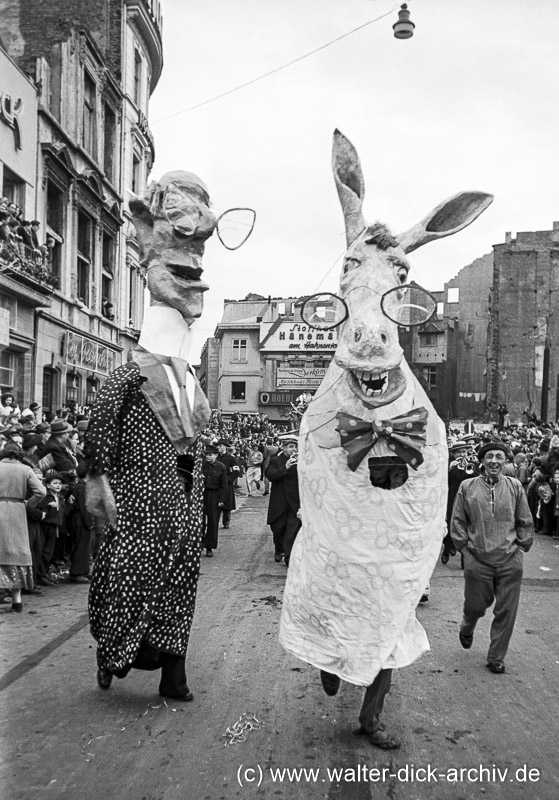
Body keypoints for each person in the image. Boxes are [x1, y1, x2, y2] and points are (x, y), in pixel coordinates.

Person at [84, 170, 217, 700]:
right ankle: (112, 654)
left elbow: (196, 447)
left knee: (180, 587)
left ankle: (173, 675)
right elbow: (98, 431)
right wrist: (96, 478)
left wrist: (198, 499)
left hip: (182, 509)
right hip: (137, 506)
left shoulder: (191, 381)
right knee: (128, 583)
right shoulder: (127, 374)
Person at [450, 441, 533, 674]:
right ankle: (467, 627)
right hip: (478, 559)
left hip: (510, 560)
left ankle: (496, 656)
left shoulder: (515, 486)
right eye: (489, 457)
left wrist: (522, 547)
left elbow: (524, 519)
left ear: (505, 461)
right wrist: (465, 549)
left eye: (499, 457)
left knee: (506, 610)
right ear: (482, 461)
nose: (494, 461)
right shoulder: (467, 486)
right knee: (475, 607)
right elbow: (457, 520)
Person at [0, 441, 46, 611]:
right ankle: (17, 601)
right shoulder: (24, 469)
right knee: (17, 553)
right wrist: (28, 504)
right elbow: (41, 492)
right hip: (17, 511)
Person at [265, 434, 301, 566]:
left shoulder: (300, 460)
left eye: (295, 447)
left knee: (292, 530)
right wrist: (285, 467)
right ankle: (279, 549)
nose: (294, 450)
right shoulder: (275, 460)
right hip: (279, 501)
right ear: (284, 448)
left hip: (294, 501)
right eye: (291, 447)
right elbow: (270, 476)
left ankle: (289, 557)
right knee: (278, 528)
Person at [202, 444, 228, 557]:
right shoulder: (201, 466)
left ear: (216, 455)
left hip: (214, 495)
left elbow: (224, 485)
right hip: (202, 494)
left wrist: (222, 499)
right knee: (200, 521)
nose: (208, 457)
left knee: (213, 522)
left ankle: (209, 547)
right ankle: (198, 543)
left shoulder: (221, 467)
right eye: (206, 455)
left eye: (210, 455)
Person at [216, 439, 239, 529]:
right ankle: (215, 522)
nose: (219, 447)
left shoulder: (230, 458)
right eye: (218, 446)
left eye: (221, 446)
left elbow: (236, 471)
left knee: (227, 504)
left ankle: (226, 522)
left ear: (225, 447)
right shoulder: (216, 457)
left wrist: (228, 480)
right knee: (216, 503)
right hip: (217, 483)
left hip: (227, 484)